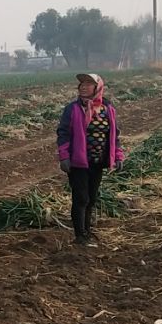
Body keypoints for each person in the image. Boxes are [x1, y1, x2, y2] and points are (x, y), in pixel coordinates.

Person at [55, 73, 125, 246]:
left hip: (98, 161)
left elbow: (114, 134)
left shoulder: (107, 108)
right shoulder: (72, 109)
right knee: (81, 198)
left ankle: (87, 231)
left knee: (92, 198)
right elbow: (63, 134)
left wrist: (117, 155)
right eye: (82, 84)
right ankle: (80, 235)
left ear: (98, 87)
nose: (84, 87)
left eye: (89, 83)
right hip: (78, 161)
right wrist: (64, 156)